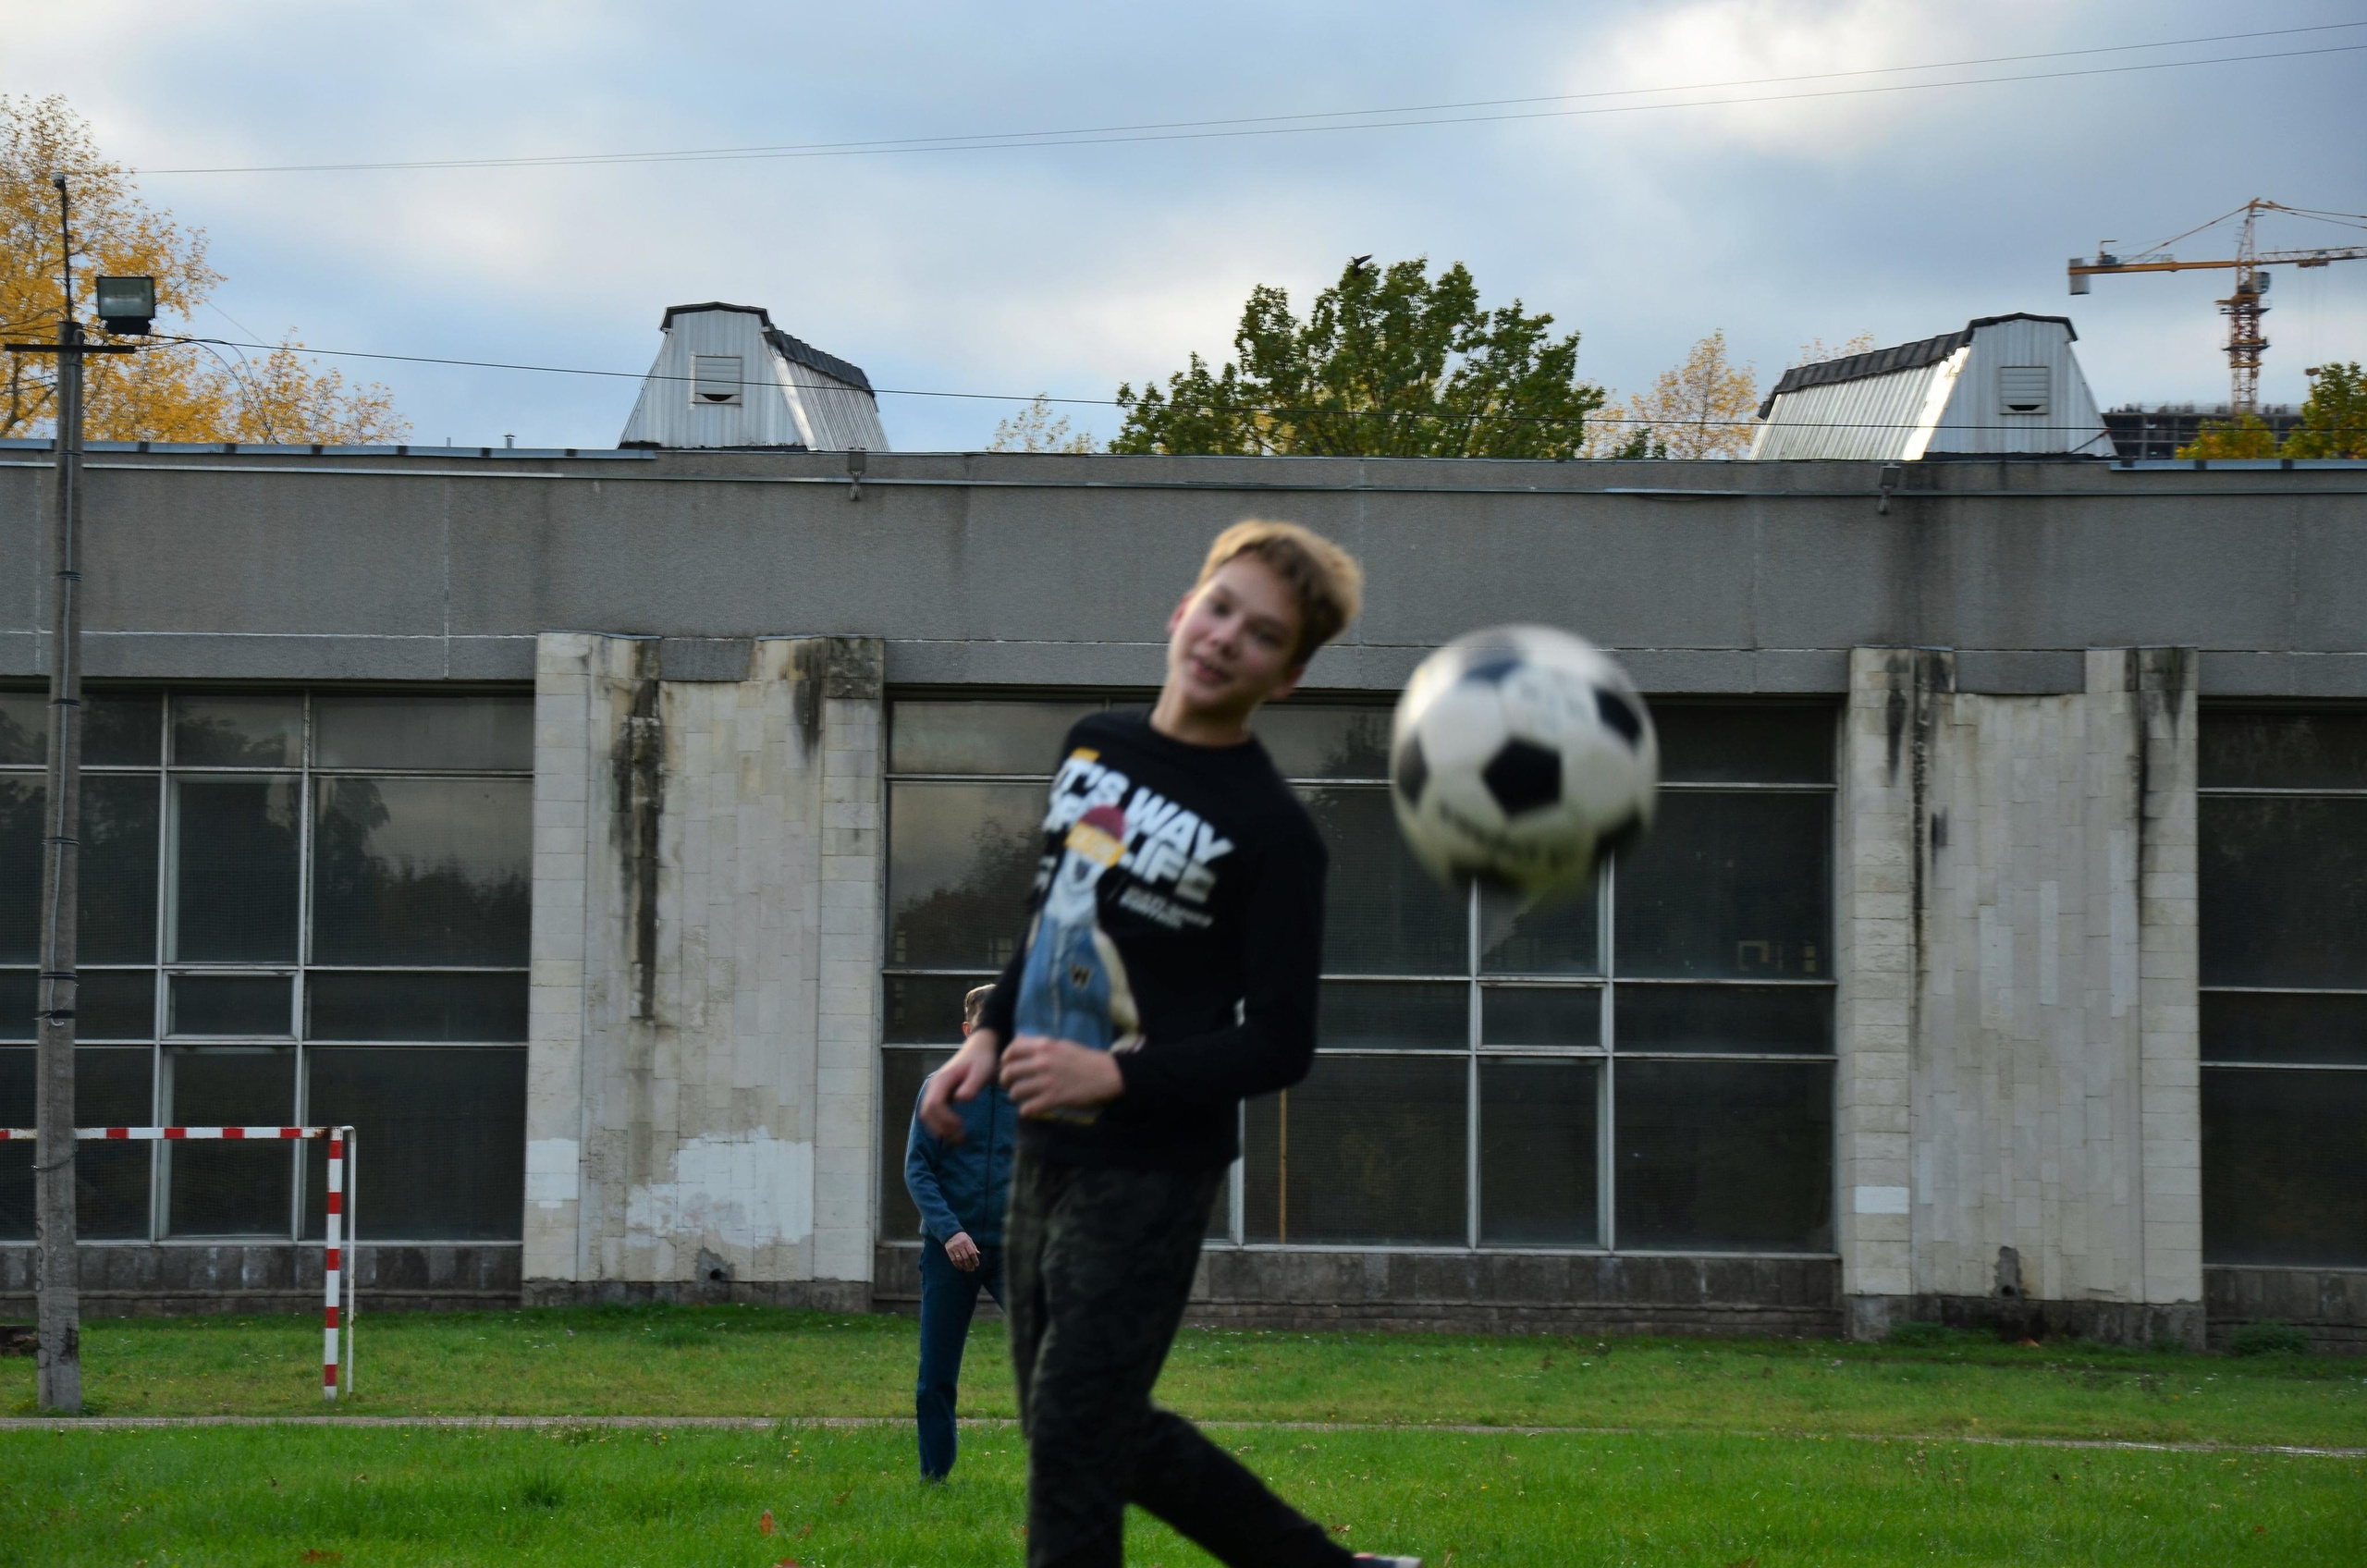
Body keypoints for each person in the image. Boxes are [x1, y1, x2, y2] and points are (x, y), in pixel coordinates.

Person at [921, 521, 1420, 1568]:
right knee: (1085, 1423)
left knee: (1071, 1432)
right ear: (1182, 608)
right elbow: (1063, 909)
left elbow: (1283, 1044)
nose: (1227, 636)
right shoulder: (1096, 748)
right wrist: (990, 1035)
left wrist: (1117, 1071)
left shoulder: (1276, 834)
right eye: (1220, 605)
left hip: (1151, 1168)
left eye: (1262, 632)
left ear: (1285, 675)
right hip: (1042, 1148)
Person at [903, 983, 1018, 1481]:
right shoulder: (940, 1090)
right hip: (950, 1252)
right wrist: (950, 1232)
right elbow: (918, 1169)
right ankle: (935, 1480)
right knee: (936, 1379)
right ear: (968, 1032)